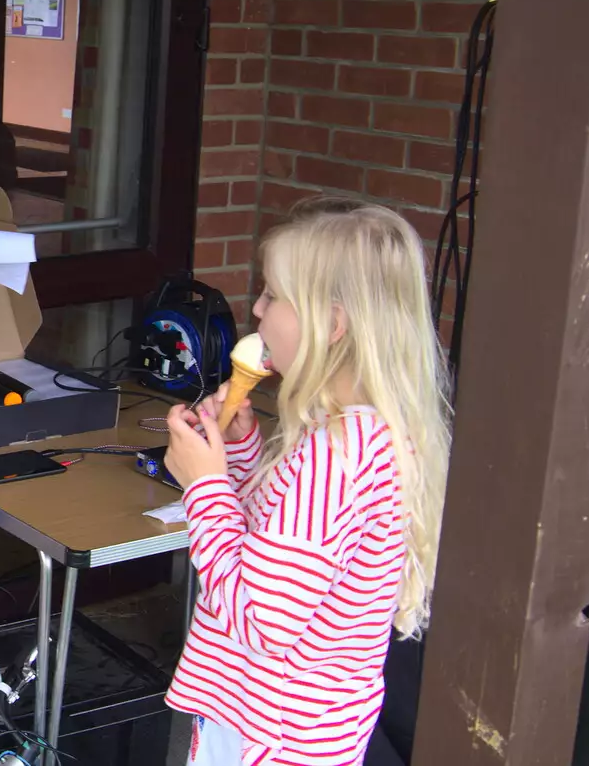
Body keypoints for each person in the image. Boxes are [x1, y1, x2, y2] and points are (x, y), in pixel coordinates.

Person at [160, 197, 452, 766]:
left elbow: (259, 619)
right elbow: (278, 553)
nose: (259, 311)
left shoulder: (334, 452)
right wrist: (239, 453)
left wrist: (203, 487)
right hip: (308, 727)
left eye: (273, 295)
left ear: (333, 322)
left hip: (266, 735)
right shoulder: (371, 432)